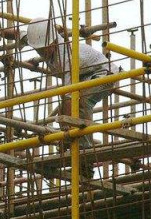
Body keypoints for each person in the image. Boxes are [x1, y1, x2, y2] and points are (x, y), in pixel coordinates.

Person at [17, 17, 120, 149]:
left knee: (81, 101)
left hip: (105, 73)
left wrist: (66, 132)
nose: (41, 52)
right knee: (63, 109)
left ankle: (83, 146)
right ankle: (73, 139)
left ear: (53, 42)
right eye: (39, 50)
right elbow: (18, 33)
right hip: (84, 74)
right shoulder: (39, 39)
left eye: (44, 50)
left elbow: (68, 95)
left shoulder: (66, 58)